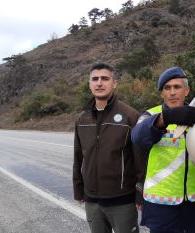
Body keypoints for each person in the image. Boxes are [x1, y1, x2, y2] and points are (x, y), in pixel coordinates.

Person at [131, 66, 195, 233]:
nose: (172, 92)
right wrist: (164, 119)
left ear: (187, 90)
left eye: (177, 87)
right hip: (161, 203)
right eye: (167, 88)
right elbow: (137, 136)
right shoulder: (150, 115)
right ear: (161, 93)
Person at [73, 62, 145, 233]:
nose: (99, 83)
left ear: (114, 83)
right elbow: (78, 157)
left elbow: (140, 161)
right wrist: (78, 189)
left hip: (123, 201)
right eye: (95, 79)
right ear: (89, 84)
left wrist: (139, 194)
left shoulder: (131, 116)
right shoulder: (82, 119)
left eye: (105, 78)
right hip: (92, 200)